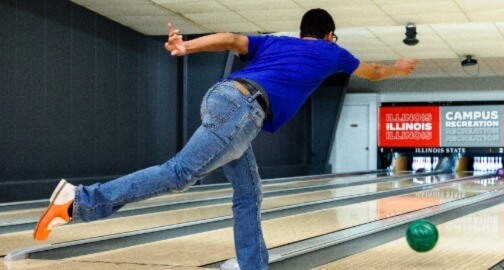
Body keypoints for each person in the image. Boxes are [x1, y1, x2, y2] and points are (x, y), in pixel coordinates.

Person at [33, 8, 418, 270]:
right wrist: (398, 69)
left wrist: (187, 47)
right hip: (244, 110)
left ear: (303, 31)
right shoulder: (331, 52)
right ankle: (79, 201)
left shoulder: (278, 42)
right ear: (329, 35)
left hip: (224, 98)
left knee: (249, 193)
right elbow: (374, 72)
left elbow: (233, 38)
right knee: (179, 174)